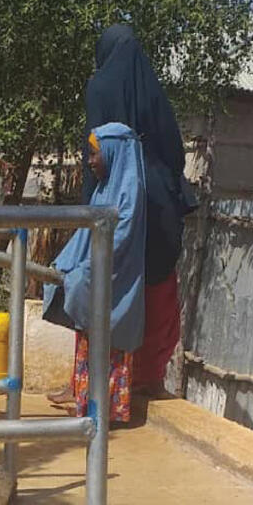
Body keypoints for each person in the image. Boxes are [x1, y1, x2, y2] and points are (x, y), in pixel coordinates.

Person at [83, 23, 197, 396]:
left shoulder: (99, 87)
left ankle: (93, 385)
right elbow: (174, 150)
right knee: (157, 289)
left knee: (100, 287)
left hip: (114, 197)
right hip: (158, 201)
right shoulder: (153, 89)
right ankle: (148, 380)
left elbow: (95, 148)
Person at [43, 123, 146, 425]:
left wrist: (86, 269)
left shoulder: (131, 190)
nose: (89, 162)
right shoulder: (105, 188)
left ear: (113, 152)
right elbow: (85, 236)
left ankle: (108, 411)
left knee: (110, 341)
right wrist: (65, 264)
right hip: (96, 275)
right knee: (89, 337)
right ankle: (85, 399)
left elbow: (120, 239)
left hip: (116, 280)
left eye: (93, 154)